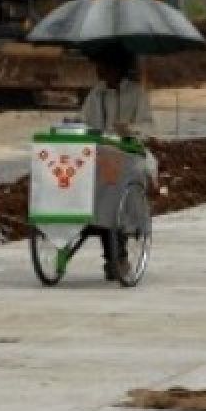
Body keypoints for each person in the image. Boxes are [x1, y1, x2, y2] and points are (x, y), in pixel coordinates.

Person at [81, 47, 154, 279]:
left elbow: (148, 129)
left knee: (113, 184)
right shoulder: (95, 95)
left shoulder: (136, 94)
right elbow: (84, 124)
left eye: (103, 66)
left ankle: (117, 255)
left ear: (117, 68)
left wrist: (130, 130)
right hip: (99, 156)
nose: (98, 71)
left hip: (130, 154)